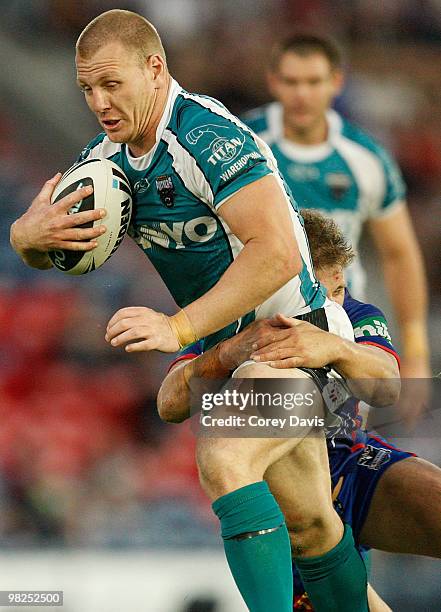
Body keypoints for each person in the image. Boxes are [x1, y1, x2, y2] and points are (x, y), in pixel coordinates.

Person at [10, 10, 367, 612]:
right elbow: (56, 250)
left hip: (295, 336)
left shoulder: (206, 137)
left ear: (154, 69)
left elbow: (277, 253)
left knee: (225, 452)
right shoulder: (109, 160)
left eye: (111, 83)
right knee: (312, 529)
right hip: (237, 354)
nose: (98, 101)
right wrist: (27, 238)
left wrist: (177, 327)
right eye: (86, 89)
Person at [158, 210, 441, 610]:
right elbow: (169, 403)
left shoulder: (355, 316)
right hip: (283, 496)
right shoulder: (231, 321)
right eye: (319, 294)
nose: (332, 305)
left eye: (338, 290)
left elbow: (387, 386)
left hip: (351, 468)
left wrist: (336, 348)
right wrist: (225, 355)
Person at [242, 34, 431, 390]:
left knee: (339, 440)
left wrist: (416, 350)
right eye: (291, 81)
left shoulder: (366, 158)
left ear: (336, 82)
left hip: (343, 324)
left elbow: (399, 253)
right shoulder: (243, 143)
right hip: (263, 318)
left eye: (313, 82)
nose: (302, 94)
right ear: (273, 82)